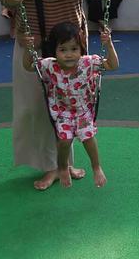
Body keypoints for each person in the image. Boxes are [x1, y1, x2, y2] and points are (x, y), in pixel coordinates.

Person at [0, 0, 115, 191]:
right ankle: (48, 165)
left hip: (69, 47)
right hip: (34, 44)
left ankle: (63, 163)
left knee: (70, 105)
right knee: (36, 107)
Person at [22, 22, 120, 188]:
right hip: (62, 113)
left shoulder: (88, 63)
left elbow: (113, 65)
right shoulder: (49, 66)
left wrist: (108, 44)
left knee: (88, 138)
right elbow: (28, 66)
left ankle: (96, 167)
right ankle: (62, 168)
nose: (69, 55)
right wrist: (27, 49)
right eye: (63, 50)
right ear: (54, 51)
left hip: (83, 111)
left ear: (81, 49)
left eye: (74, 49)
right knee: (64, 141)